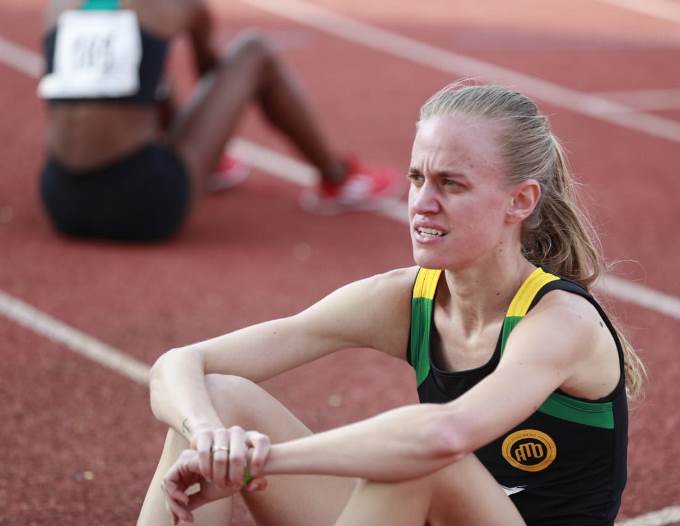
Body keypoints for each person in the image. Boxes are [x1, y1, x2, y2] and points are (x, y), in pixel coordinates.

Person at [137, 82, 646, 526]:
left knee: (427, 461)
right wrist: (212, 440)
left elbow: (444, 436)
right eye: (416, 178)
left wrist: (261, 462)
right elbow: (178, 365)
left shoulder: (562, 322)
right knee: (217, 399)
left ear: (520, 200)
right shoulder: (406, 299)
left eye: (451, 183)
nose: (422, 203)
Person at [38, 0, 396, 242]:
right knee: (254, 52)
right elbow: (210, 73)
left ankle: (210, 167)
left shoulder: (58, 6)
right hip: (144, 205)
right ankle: (338, 178)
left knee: (147, 70)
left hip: (60, 200)